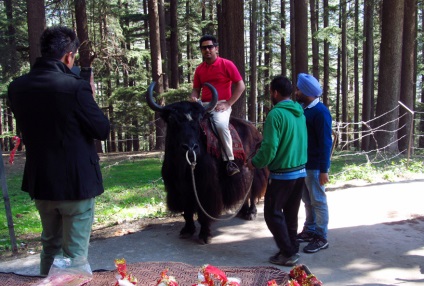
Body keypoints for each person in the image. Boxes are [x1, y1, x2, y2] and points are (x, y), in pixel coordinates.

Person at [7, 26, 110, 276]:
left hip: (41, 182)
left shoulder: (17, 87)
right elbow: (101, 129)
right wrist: (90, 95)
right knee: (74, 255)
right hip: (76, 185)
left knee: (50, 246)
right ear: (68, 56)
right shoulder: (75, 87)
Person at [251, 75, 308, 266]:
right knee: (290, 214)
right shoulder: (299, 111)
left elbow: (269, 148)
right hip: (300, 172)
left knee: (272, 214)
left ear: (275, 92)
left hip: (283, 174)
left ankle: (288, 253)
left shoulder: (275, 115)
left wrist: (255, 163)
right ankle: (291, 247)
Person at [189, 35, 245, 176]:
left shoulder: (227, 64)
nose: (207, 50)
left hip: (221, 104)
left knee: (220, 125)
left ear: (216, 48)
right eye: (204, 48)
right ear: (201, 50)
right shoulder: (200, 69)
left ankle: (229, 161)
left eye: (210, 47)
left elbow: (241, 85)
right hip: (203, 105)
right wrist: (194, 97)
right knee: (187, 124)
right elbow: (196, 89)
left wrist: (228, 103)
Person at [295, 73, 333, 253]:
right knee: (307, 200)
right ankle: (309, 230)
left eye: (298, 89)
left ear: (306, 91)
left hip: (316, 166)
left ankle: (321, 236)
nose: (296, 92)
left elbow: (326, 142)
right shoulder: (305, 109)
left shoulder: (321, 112)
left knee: (318, 201)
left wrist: (324, 169)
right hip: (304, 165)